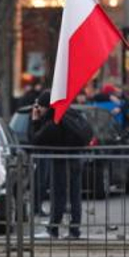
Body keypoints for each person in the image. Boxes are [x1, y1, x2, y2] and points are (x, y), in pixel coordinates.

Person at [29, 91, 88, 239]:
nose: (38, 109)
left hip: (60, 161)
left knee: (58, 195)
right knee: (75, 195)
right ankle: (74, 230)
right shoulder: (69, 114)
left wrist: (35, 120)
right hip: (75, 158)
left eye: (40, 106)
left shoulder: (53, 122)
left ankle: (54, 229)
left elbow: (35, 140)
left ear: (46, 106)